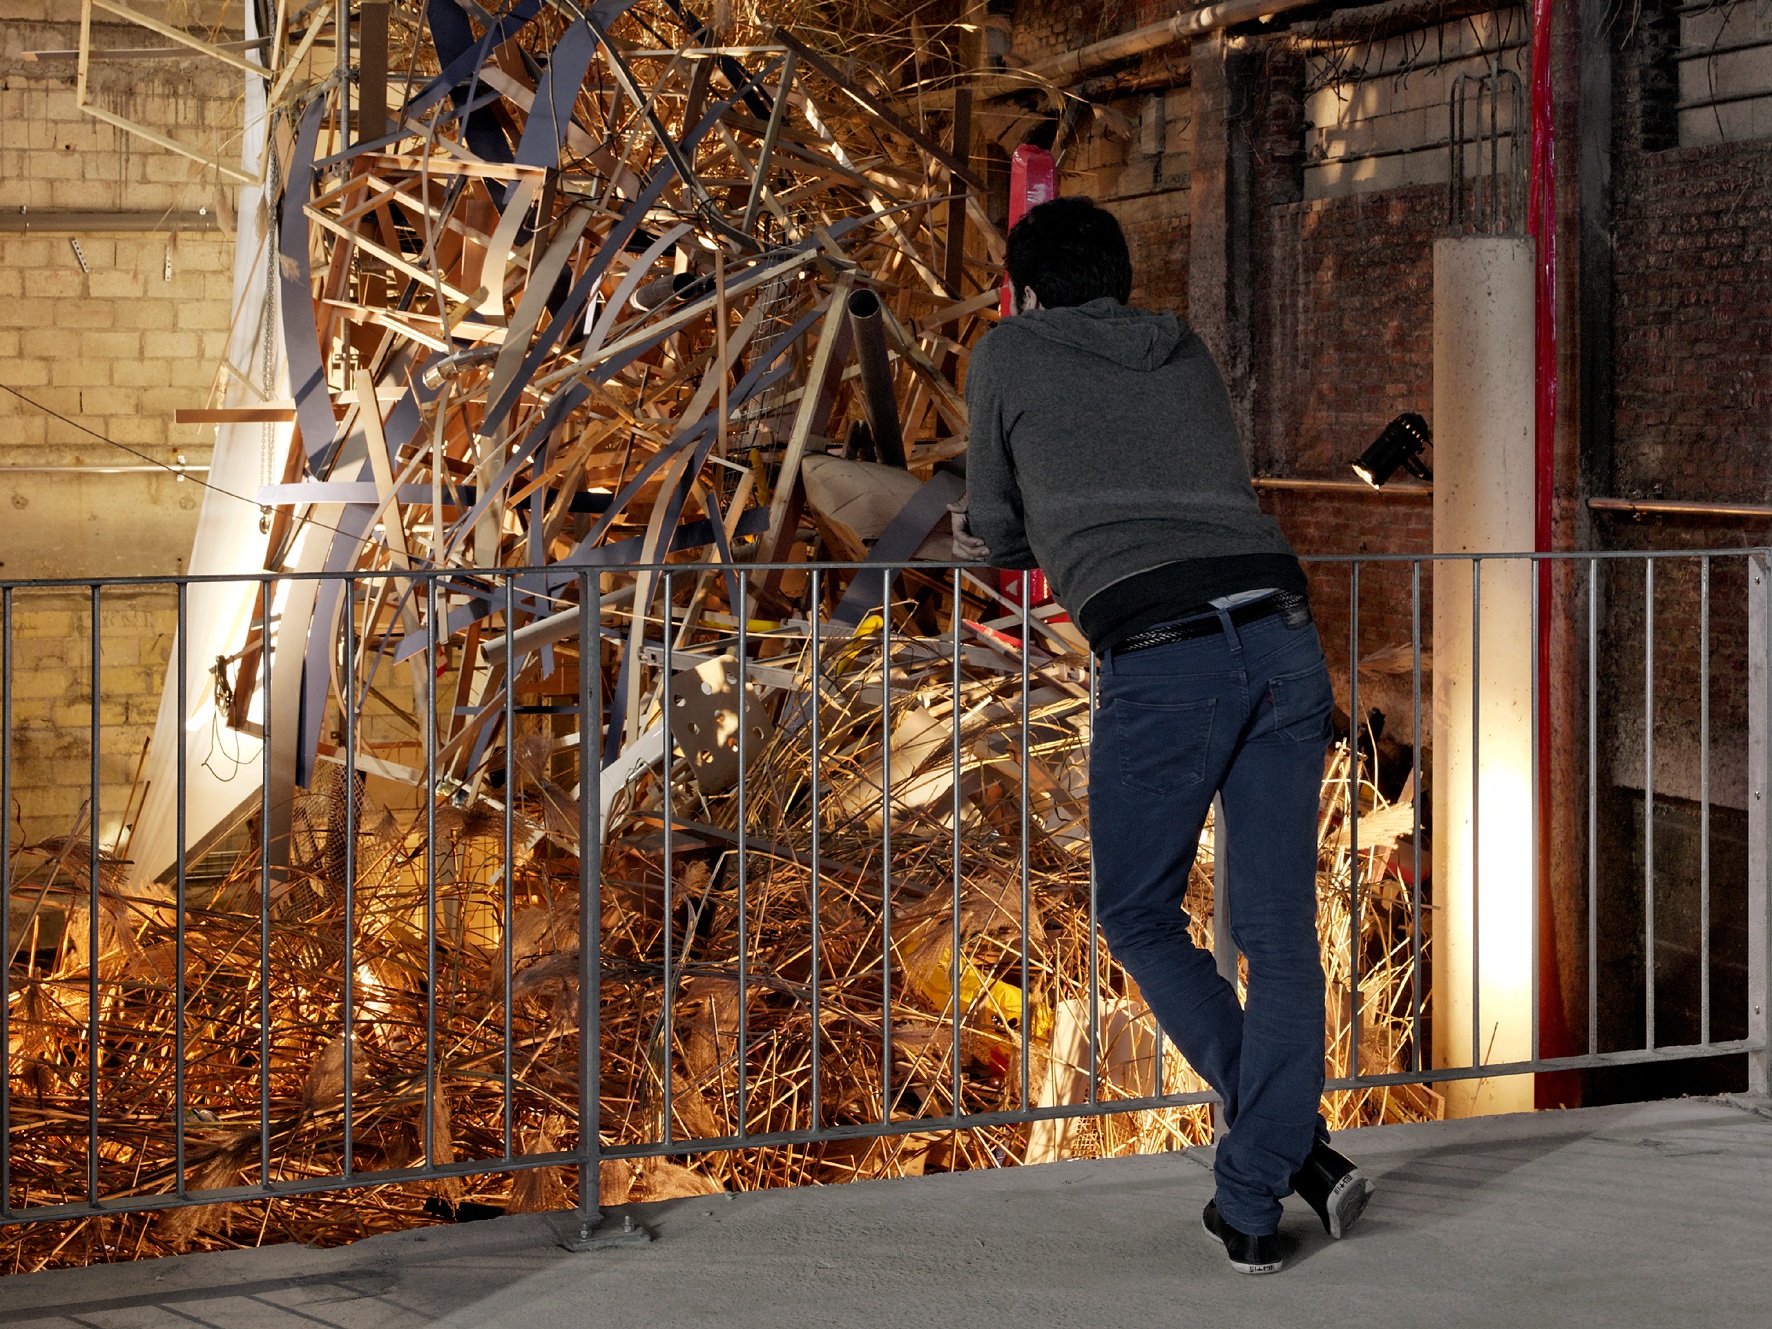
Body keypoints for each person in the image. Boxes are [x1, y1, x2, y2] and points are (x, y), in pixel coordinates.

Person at [951, 196, 1373, 1275]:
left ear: (1025, 288)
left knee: (1136, 912)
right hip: (1279, 635)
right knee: (1273, 935)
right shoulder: (1179, 346)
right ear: (1122, 279)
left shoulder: (1005, 351)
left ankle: (1261, 1177)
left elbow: (998, 529)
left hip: (1164, 651)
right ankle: (1283, 1165)